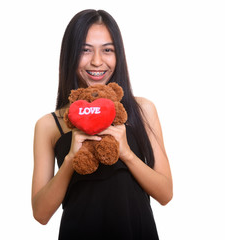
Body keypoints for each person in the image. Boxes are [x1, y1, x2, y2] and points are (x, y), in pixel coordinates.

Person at [31, 9, 173, 239]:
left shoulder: (142, 110)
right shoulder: (49, 125)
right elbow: (40, 213)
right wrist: (69, 160)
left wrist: (126, 153)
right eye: (84, 50)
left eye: (108, 50)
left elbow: (166, 193)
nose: (97, 61)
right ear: (70, 55)